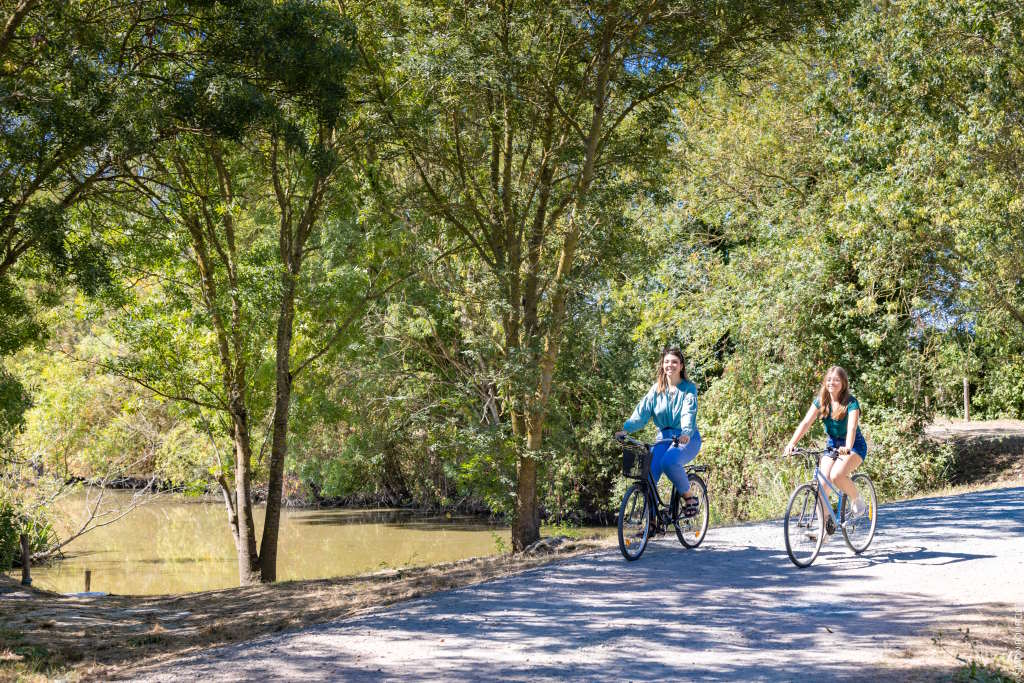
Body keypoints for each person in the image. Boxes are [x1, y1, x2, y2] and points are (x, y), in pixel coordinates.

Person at [783, 365, 869, 539]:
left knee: (837, 475)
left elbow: (852, 428)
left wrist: (847, 446)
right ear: (825, 382)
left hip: (853, 446)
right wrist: (792, 443)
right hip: (832, 445)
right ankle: (825, 529)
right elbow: (806, 423)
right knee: (821, 486)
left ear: (843, 383)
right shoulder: (821, 401)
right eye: (829, 380)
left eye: (836, 380)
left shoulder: (851, 403)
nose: (832, 383)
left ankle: (857, 499)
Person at [616, 347, 702, 518]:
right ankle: (652, 522)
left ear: (681, 366)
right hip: (663, 438)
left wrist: (686, 432)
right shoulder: (656, 390)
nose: (670, 365)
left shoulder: (688, 389)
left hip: (687, 438)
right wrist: (626, 429)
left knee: (669, 461)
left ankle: (689, 497)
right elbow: (641, 414)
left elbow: (688, 412)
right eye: (667, 361)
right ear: (662, 365)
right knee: (648, 475)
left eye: (674, 362)